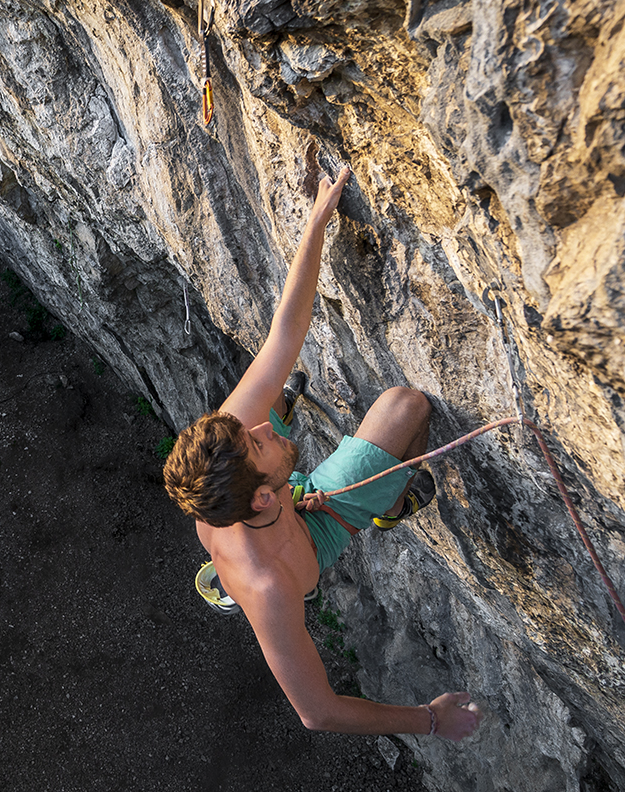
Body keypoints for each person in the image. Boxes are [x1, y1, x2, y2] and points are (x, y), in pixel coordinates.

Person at [162, 167, 482, 741]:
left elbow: (285, 335)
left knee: (276, 405)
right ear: (262, 494)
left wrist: (315, 225)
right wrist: (430, 720)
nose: (258, 426)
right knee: (406, 407)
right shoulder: (271, 591)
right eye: (260, 441)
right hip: (315, 536)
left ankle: (241, 544)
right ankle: (391, 504)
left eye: (253, 430)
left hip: (277, 509)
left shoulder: (224, 455)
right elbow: (318, 711)